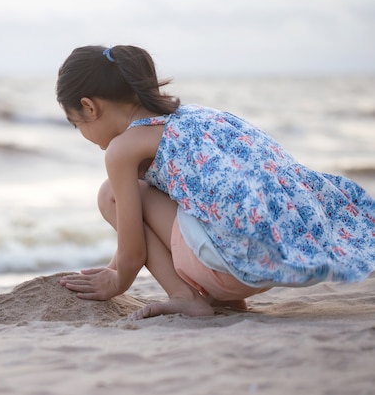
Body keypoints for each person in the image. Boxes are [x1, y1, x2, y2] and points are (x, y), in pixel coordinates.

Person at [56, 45, 375, 320]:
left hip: (226, 267)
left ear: (89, 107)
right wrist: (114, 265)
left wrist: (117, 279)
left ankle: (185, 297)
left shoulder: (122, 149)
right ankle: (227, 300)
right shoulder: (196, 118)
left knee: (108, 194)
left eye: (76, 125)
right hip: (266, 263)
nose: (83, 135)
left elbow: (132, 254)